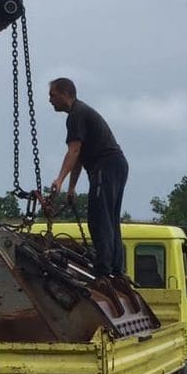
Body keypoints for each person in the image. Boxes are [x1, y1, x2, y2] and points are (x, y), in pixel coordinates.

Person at [47, 77, 128, 278]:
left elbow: (74, 151)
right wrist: (71, 188)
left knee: (99, 218)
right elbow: (79, 157)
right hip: (116, 165)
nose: (50, 100)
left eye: (53, 95)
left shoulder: (76, 115)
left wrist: (59, 180)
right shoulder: (80, 112)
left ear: (65, 94)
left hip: (105, 166)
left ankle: (104, 270)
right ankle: (115, 268)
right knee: (110, 218)